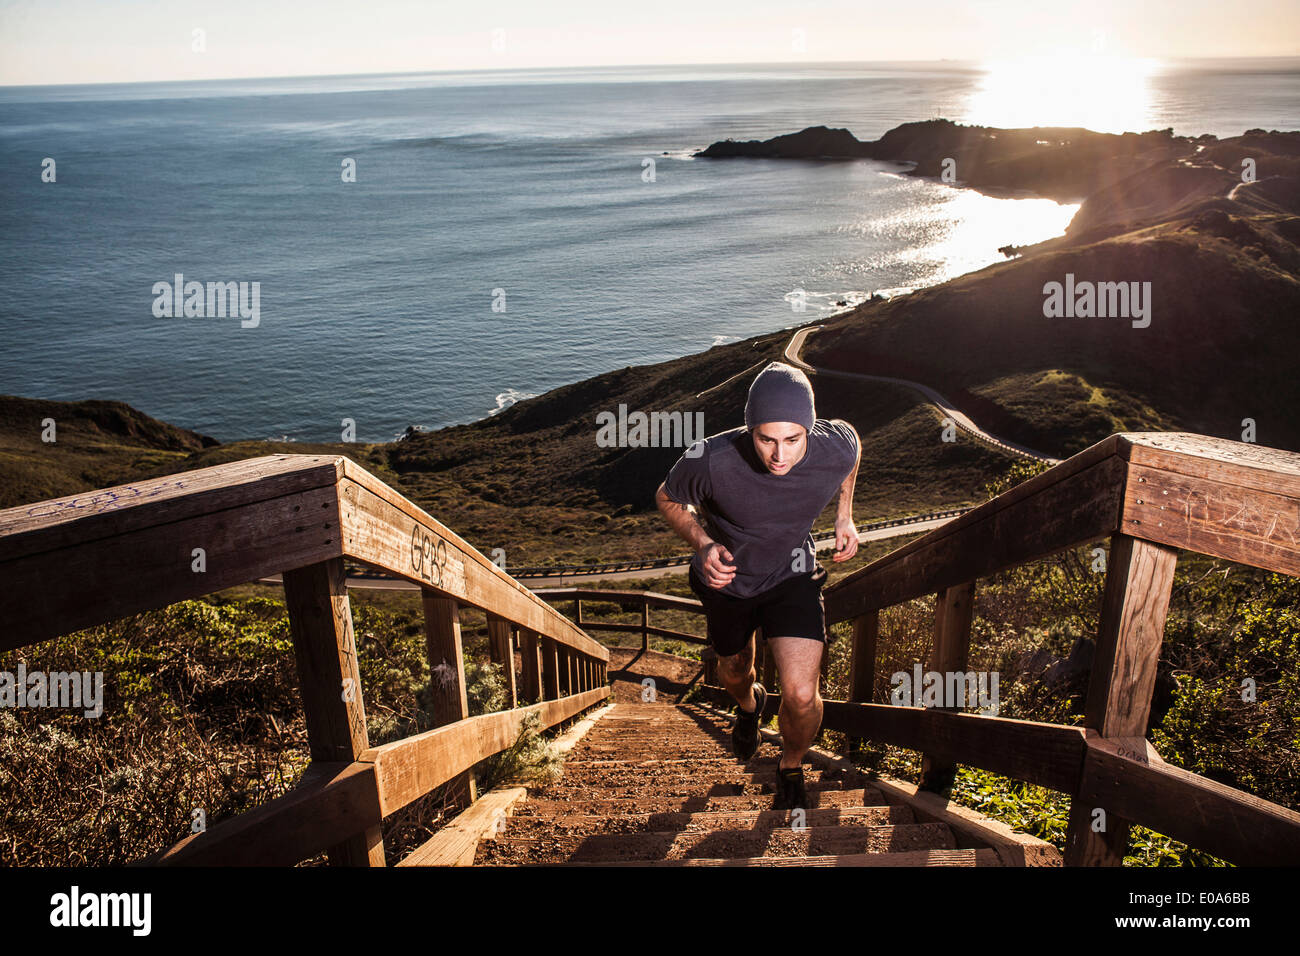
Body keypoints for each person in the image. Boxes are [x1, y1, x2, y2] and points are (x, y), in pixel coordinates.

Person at [655, 360, 860, 810]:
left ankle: (790, 764)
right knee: (734, 673)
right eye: (766, 439)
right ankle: (748, 708)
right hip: (729, 582)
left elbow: (853, 446)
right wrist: (703, 543)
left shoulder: (833, 448)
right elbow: (666, 496)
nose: (779, 456)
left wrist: (844, 513)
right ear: (750, 430)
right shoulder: (709, 458)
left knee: (803, 693)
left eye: (793, 440)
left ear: (810, 430)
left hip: (792, 576)